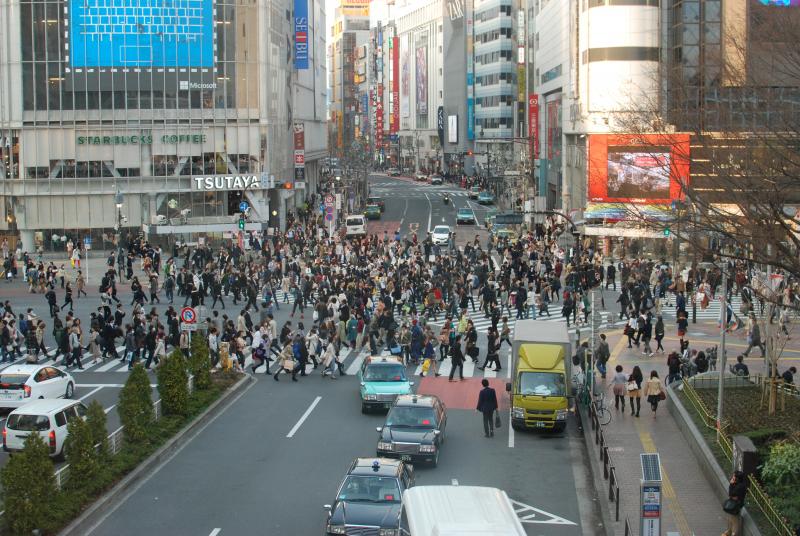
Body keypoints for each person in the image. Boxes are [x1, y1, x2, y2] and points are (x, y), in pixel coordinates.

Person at [723, 471, 748, 536]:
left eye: (734, 476)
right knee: (731, 520)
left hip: (735, 506)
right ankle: (728, 532)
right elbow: (732, 495)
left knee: (735, 523)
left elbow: (731, 494)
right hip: (736, 505)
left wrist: (731, 484)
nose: (732, 477)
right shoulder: (739, 484)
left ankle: (733, 534)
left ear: (737, 478)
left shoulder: (740, 487)